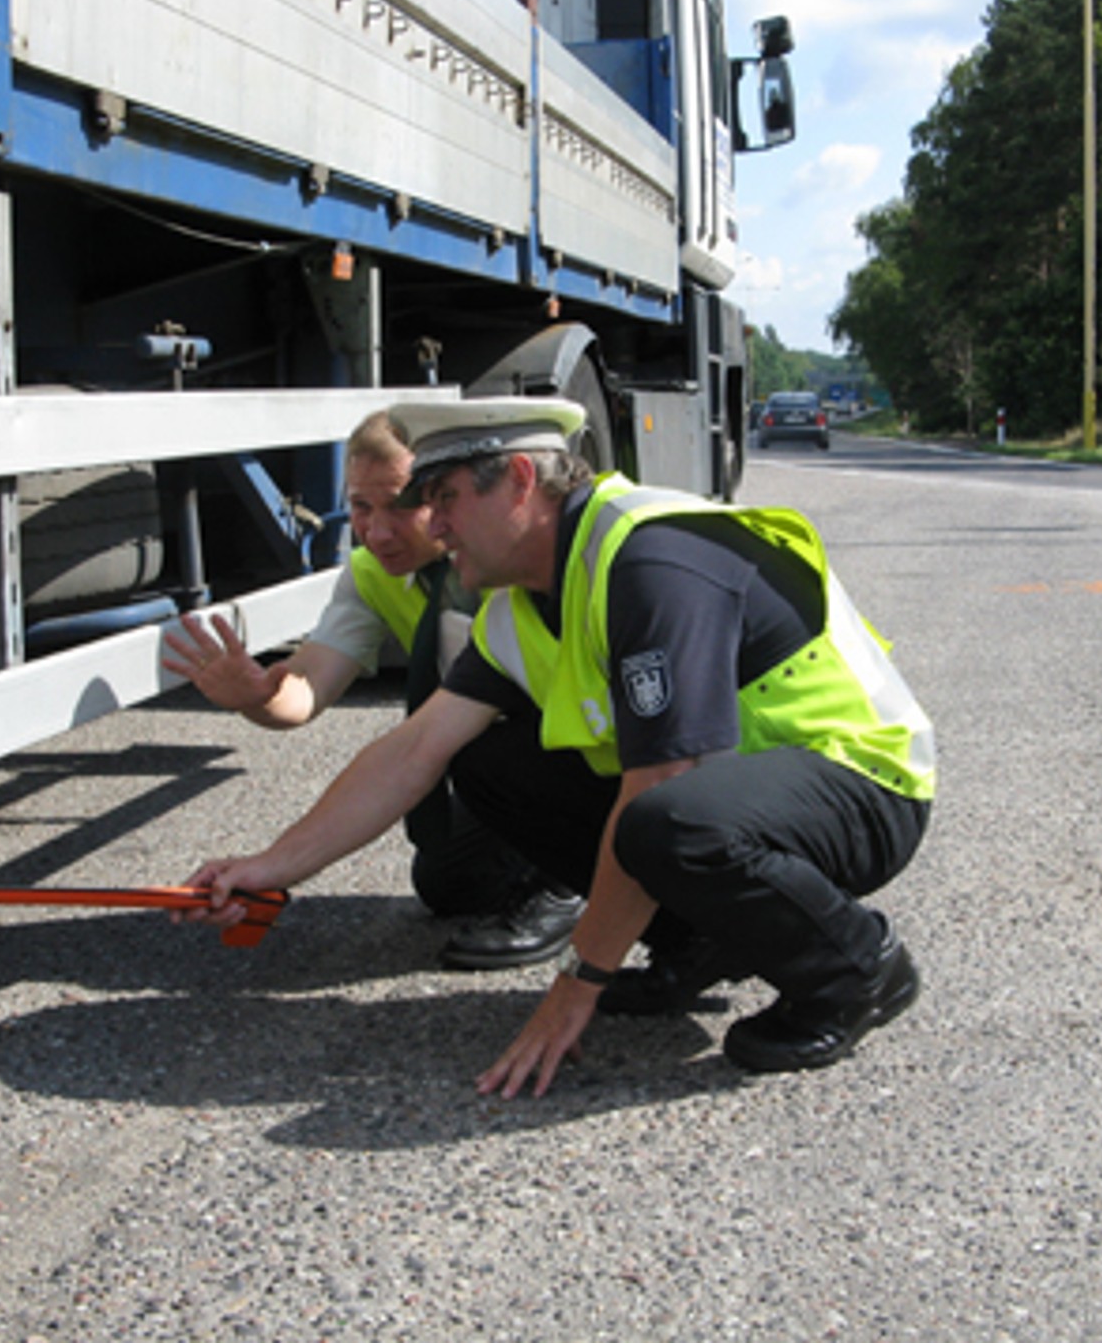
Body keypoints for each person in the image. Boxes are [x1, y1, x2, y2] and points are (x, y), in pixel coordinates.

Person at [177, 398, 935, 1098]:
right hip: (739, 796)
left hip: (860, 783)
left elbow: (664, 776)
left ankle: (859, 968)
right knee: (485, 760)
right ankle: (700, 943)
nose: (431, 528)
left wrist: (580, 980)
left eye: (443, 499)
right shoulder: (519, 602)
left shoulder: (648, 558)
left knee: (666, 819)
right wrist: (272, 866)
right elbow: (414, 749)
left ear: (515, 482)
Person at [161, 410, 582, 969]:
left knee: (492, 748)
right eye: (361, 507)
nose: (378, 531)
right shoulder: (370, 573)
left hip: (584, 741)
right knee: (447, 884)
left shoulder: (506, 562)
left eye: (404, 505)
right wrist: (257, 695)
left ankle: (571, 881)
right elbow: (306, 689)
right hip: (483, 741)